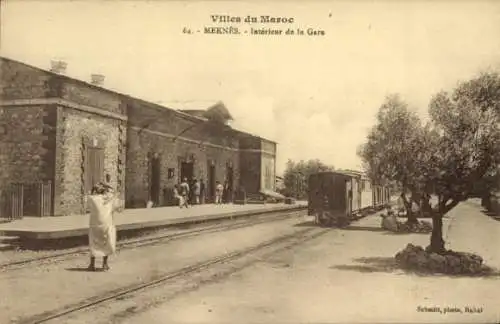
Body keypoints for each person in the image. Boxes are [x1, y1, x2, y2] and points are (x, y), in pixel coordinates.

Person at [87, 182, 118, 271]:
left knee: (93, 243)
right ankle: (104, 264)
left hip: (94, 225)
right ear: (104, 191)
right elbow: (114, 194)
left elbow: (88, 202)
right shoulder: (110, 198)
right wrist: (107, 186)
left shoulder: (92, 199)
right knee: (106, 242)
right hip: (106, 224)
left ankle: (92, 265)